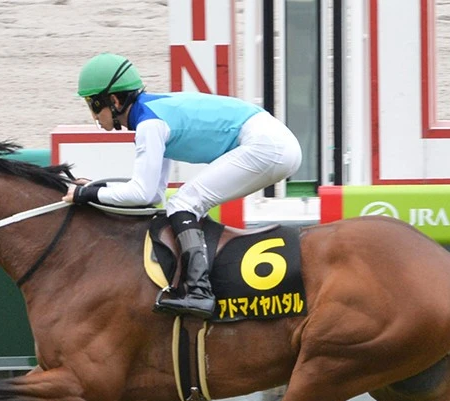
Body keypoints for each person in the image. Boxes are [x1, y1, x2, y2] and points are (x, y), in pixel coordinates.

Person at [63, 53, 302, 320]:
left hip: (267, 144)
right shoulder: (151, 115)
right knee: (183, 202)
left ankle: (199, 291)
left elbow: (141, 193)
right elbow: (152, 193)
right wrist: (98, 187)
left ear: (115, 100)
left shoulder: (149, 124)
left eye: (94, 105)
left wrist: (87, 194)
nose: (94, 115)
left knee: (183, 202)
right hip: (273, 141)